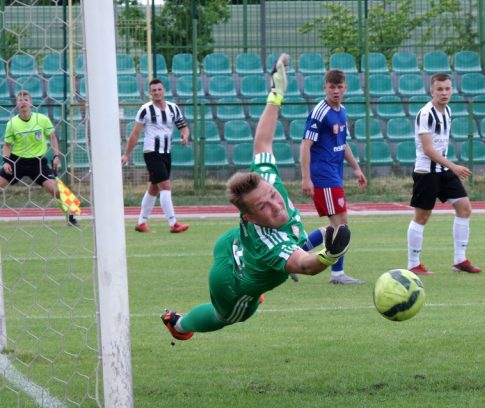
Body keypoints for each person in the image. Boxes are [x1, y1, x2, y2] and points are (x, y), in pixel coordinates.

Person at [162, 54, 351, 341]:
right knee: (228, 316)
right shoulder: (270, 244)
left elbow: (262, 141)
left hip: (231, 242)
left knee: (295, 239)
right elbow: (305, 266)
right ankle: (178, 324)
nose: (276, 204)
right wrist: (330, 255)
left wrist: (276, 95)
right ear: (249, 216)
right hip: (231, 282)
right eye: (264, 206)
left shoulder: (266, 180)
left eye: (273, 196)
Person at [406, 73, 481, 275]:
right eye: (440, 89)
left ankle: (460, 260)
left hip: (444, 170)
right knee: (422, 216)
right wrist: (454, 167)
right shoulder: (425, 113)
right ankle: (413, 263)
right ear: (432, 91)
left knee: (464, 208)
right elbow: (428, 150)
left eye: (447, 88)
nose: (444, 92)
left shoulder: (447, 110)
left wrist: (450, 167)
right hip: (426, 171)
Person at [300, 69, 367, 285]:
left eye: (339, 87)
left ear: (345, 88)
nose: (336, 91)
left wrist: (356, 168)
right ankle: (337, 274)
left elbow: (342, 143)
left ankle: (293, 256)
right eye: (332, 87)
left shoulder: (342, 111)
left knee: (336, 226)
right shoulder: (320, 112)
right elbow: (305, 145)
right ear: (325, 88)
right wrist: (306, 178)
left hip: (334, 175)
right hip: (323, 175)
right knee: (341, 226)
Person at [120, 78, 190, 233]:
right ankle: (173, 223)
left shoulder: (173, 108)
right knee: (165, 185)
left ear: (164, 91)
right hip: (151, 152)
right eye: (154, 90)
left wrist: (185, 135)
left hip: (166, 153)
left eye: (159, 89)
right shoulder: (145, 110)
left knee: (153, 188)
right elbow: (135, 134)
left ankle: (141, 222)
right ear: (149, 93)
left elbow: (183, 126)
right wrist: (126, 155)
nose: (157, 92)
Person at [1, 90, 77, 227]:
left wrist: (56, 156)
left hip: (37, 163)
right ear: (17, 104)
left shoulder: (42, 119)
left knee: (55, 190)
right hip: (17, 161)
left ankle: (71, 217)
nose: (23, 101)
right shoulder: (12, 124)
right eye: (20, 99)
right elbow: (6, 145)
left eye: (26, 99)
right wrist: (6, 161)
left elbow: (52, 137)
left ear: (30, 102)